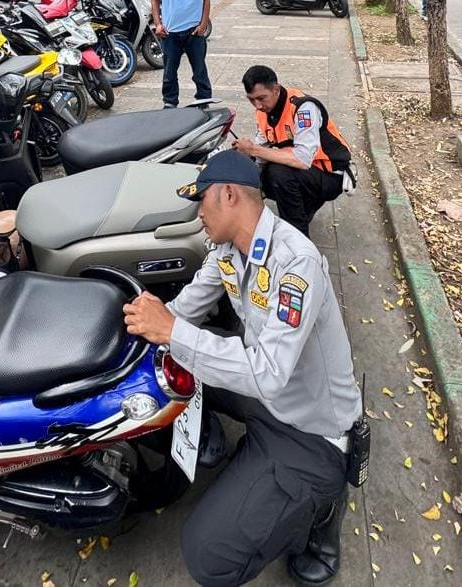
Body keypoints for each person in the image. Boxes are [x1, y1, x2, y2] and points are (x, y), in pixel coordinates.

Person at [123, 150, 362, 587]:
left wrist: (172, 331)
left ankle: (321, 509)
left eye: (202, 200)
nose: (198, 214)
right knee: (163, 364)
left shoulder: (296, 263)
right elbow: (183, 311)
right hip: (266, 394)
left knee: (207, 556)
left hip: (311, 431)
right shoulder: (228, 251)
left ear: (230, 194)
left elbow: (268, 372)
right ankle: (222, 445)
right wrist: (144, 323)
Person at [232, 65, 352, 237]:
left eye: (261, 98)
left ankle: (297, 238)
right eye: (251, 100)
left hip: (330, 174)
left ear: (276, 89)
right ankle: (304, 209)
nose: (257, 105)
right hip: (309, 172)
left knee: (279, 173)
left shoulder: (303, 108)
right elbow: (262, 149)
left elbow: (302, 159)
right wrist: (247, 166)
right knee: (258, 173)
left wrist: (253, 149)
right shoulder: (263, 112)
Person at [149, 0, 213, 109]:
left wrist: (203, 25)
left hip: (194, 32)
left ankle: (204, 101)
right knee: (169, 73)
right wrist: (158, 24)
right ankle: (170, 103)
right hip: (170, 33)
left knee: (199, 71)